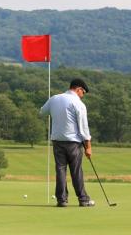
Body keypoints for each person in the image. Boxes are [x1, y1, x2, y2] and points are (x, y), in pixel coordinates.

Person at [40, 78, 94, 207]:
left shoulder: (54, 98)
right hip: (73, 143)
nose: (83, 96)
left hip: (57, 142)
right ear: (78, 89)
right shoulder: (78, 103)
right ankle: (83, 199)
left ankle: (62, 200)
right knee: (76, 171)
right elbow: (83, 127)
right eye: (83, 93)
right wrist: (88, 147)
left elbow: (42, 112)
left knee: (60, 170)